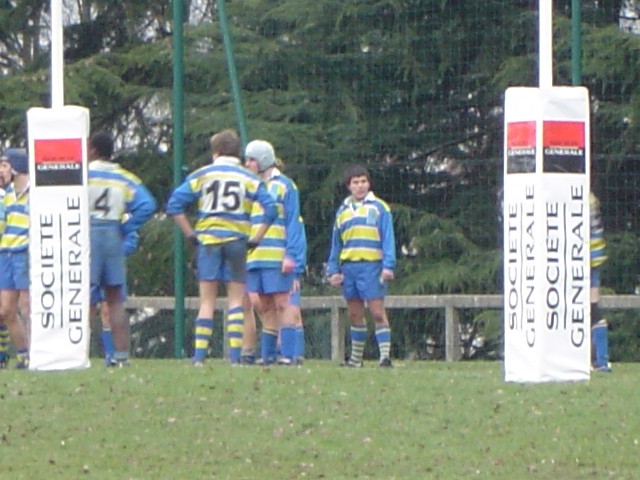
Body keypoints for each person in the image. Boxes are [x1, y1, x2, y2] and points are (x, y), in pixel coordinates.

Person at [167, 129, 277, 366]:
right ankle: (235, 357)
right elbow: (271, 209)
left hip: (208, 241)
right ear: (238, 153)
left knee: (207, 301)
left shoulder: (202, 175)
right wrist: (257, 237)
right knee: (236, 301)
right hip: (237, 241)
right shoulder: (248, 178)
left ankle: (199, 356)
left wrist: (190, 234)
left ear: (215, 152)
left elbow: (174, 204)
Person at [88, 132, 156, 367]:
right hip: (113, 234)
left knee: (84, 296)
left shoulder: (84, 175)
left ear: (93, 150)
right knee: (115, 298)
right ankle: (121, 355)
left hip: (88, 233)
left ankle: (78, 352)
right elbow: (147, 204)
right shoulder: (124, 177)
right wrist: (126, 227)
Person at [327, 164, 396, 368]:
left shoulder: (379, 208)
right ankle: (356, 359)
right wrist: (333, 270)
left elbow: (388, 238)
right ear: (349, 186)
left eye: (363, 181)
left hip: (372, 266)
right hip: (350, 268)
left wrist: (388, 265)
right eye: (355, 182)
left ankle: (384, 357)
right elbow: (336, 243)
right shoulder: (342, 211)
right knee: (355, 314)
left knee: (377, 312)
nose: (360, 186)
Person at [244, 141, 306, 365]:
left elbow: (293, 222)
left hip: (277, 256)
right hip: (255, 257)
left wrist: (291, 256)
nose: (247, 164)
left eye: (251, 159)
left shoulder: (285, 186)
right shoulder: (249, 186)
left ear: (263, 160)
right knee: (265, 306)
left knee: (283, 303)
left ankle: (288, 355)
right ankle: (267, 355)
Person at [0, 149, 32, 369]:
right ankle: (23, 354)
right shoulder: (7, 194)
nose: (1, 171)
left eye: (4, 165)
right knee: (6, 310)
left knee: (27, 307)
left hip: (24, 253)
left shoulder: (34, 193)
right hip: (6, 254)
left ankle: (34, 354)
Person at [590, 191, 610, 372]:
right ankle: (602, 359)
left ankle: (599, 359)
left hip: (582, 259)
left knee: (591, 308)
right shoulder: (591, 198)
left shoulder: (571, 196)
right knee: (593, 307)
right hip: (594, 257)